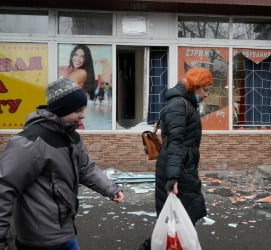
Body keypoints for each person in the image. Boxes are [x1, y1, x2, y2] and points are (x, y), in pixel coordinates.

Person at [0, 78, 125, 250]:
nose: (82, 114)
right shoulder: (30, 142)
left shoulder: (71, 137)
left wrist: (110, 189)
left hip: (64, 230)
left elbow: (86, 168)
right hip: (39, 238)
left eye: (82, 109)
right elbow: (4, 187)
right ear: (61, 110)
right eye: (76, 110)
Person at [137, 68, 213, 250]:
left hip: (183, 168)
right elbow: (175, 142)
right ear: (194, 87)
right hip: (177, 170)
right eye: (204, 90)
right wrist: (173, 177)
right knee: (175, 222)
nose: (206, 95)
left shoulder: (184, 104)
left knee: (180, 221)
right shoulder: (179, 105)